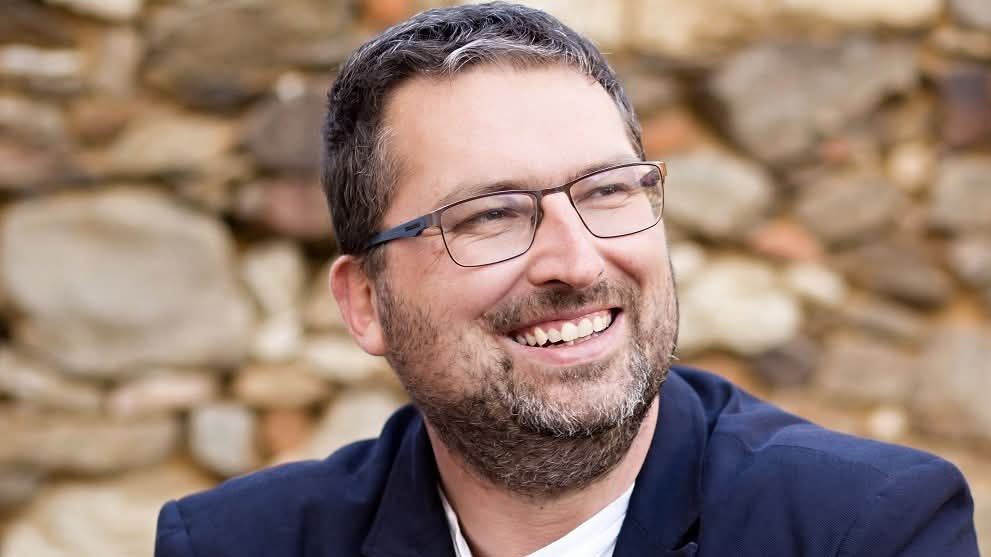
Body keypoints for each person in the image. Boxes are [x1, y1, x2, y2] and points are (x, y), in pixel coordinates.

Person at [154, 3, 980, 556]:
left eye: (607, 191)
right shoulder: (236, 544)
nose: (577, 261)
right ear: (365, 302)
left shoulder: (865, 528)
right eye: (489, 214)